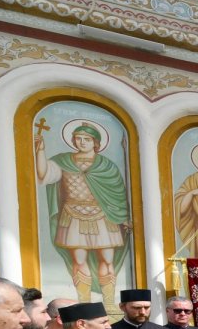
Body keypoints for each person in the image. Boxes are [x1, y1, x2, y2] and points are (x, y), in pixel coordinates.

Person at [35, 122, 131, 305]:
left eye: (87, 139)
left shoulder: (106, 165)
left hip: (104, 217)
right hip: (73, 215)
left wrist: (123, 217)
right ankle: (84, 303)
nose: (82, 142)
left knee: (107, 259)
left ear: (95, 142)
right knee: (78, 260)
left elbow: (117, 193)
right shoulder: (64, 161)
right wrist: (40, 150)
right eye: (78, 138)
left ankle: (109, 303)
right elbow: (44, 173)